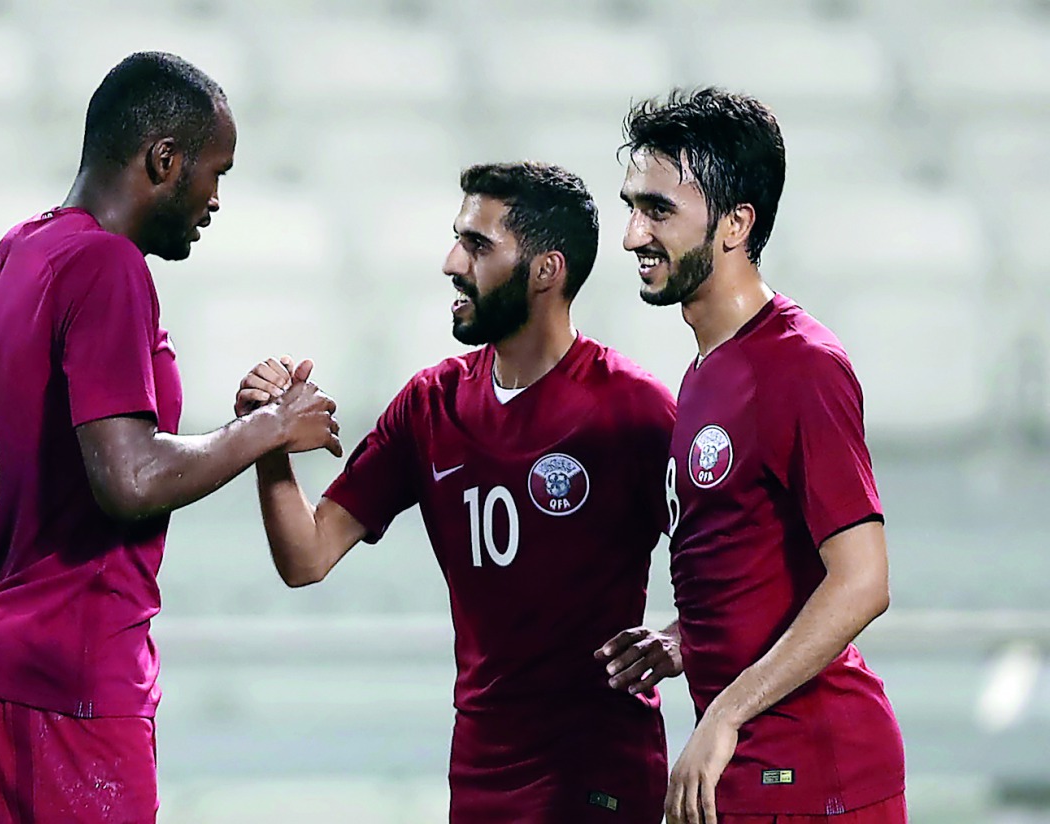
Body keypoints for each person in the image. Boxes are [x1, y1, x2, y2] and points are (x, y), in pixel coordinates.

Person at [0, 52, 341, 823]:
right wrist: (269, 428)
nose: (217, 198)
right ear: (164, 159)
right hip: (75, 698)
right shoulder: (105, 265)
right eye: (217, 172)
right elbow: (130, 479)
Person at [237, 162, 678, 822]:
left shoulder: (634, 410)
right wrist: (266, 441)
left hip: (598, 772)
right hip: (480, 773)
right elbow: (307, 556)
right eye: (457, 239)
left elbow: (742, 561)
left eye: (477, 245)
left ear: (545, 271)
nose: (451, 262)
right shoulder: (430, 404)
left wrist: (683, 638)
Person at [596, 88, 907, 824]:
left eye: (659, 211)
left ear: (737, 224)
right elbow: (762, 555)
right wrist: (690, 638)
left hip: (815, 772)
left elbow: (863, 581)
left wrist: (725, 713)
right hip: (753, 770)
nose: (634, 235)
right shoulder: (708, 368)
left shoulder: (799, 365)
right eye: (631, 206)